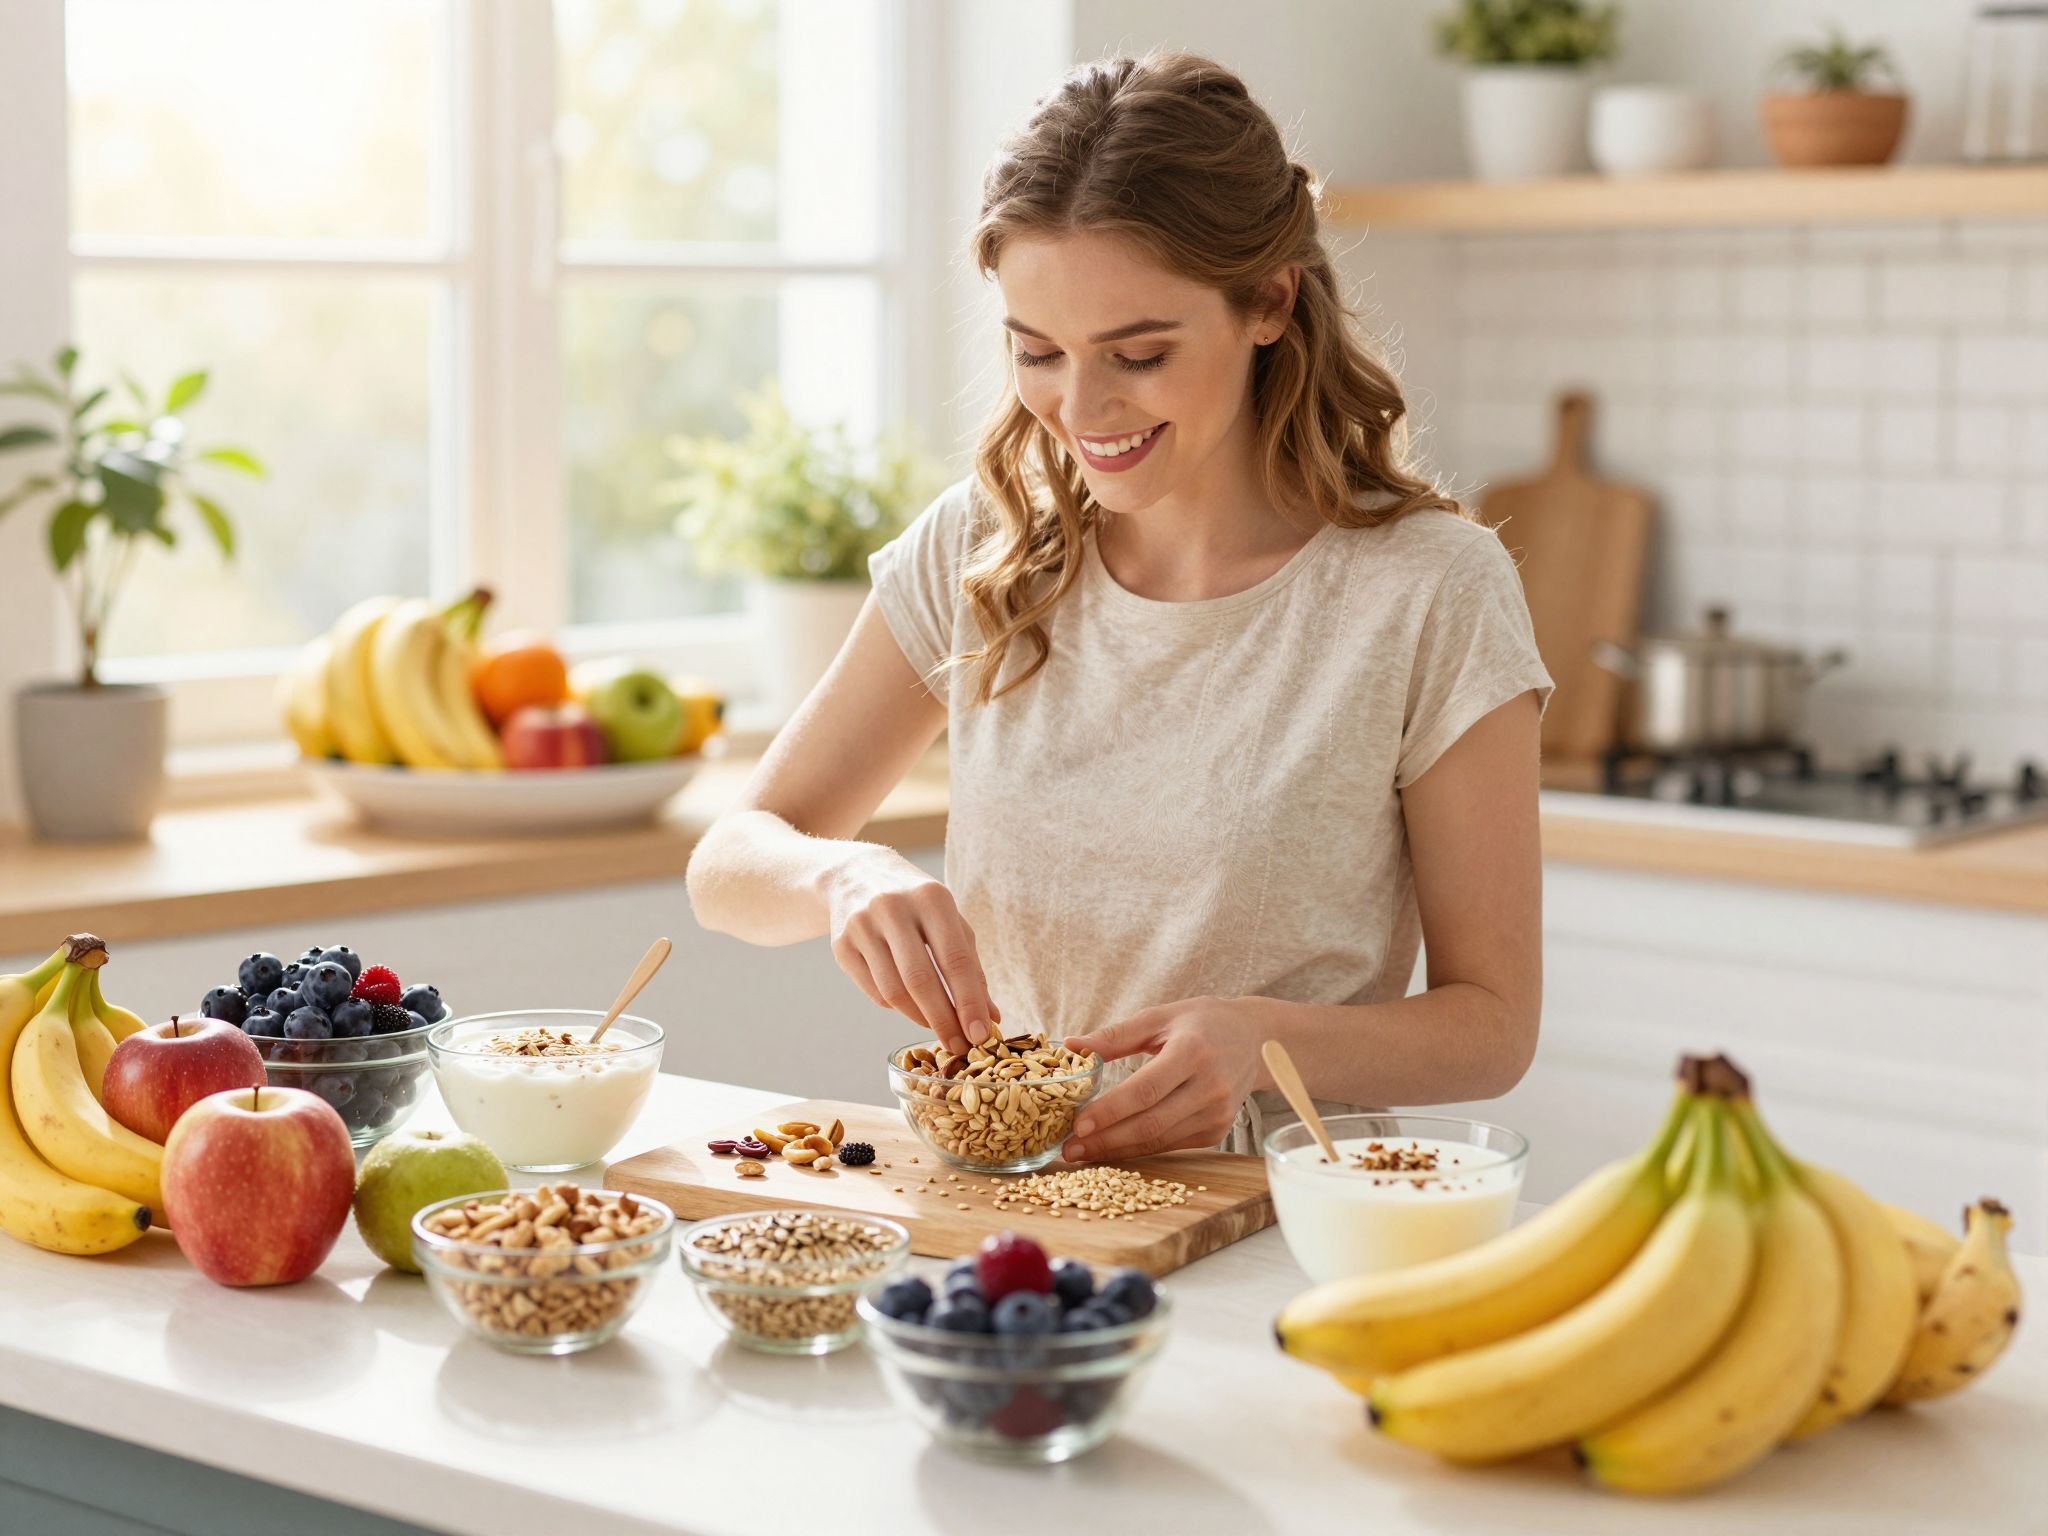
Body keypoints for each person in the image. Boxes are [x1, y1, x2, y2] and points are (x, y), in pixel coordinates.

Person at [686, 52, 1553, 1161]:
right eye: (1035, 352)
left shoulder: (1429, 591)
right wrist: (840, 873)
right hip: (1002, 1198)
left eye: (1136, 354)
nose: (1081, 408)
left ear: (1269, 301)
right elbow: (728, 868)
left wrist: (1264, 1042)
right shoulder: (981, 548)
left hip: (1273, 1220)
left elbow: (1489, 1027)